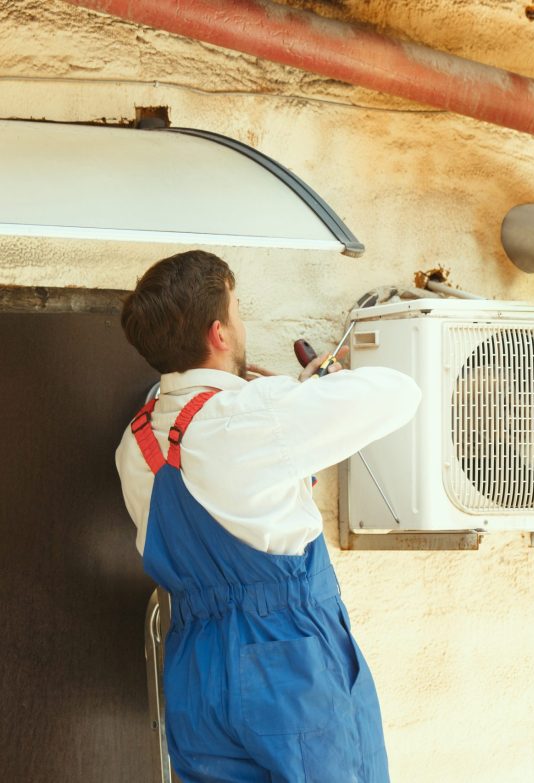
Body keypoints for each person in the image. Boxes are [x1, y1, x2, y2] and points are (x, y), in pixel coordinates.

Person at [115, 250, 421, 783]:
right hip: (287, 654)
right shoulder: (250, 417)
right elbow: (400, 394)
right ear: (220, 334)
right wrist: (310, 388)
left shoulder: (134, 443)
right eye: (238, 310)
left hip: (193, 665)